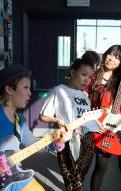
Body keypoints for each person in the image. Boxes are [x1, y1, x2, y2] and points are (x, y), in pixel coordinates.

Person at [0, 63, 70, 191]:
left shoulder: (19, 121)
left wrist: (58, 141)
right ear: (9, 89)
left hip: (11, 178)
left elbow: (35, 146)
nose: (30, 93)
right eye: (26, 87)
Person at [85, 44, 121, 191]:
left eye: (117, 58)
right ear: (106, 54)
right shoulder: (93, 76)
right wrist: (92, 122)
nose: (112, 59)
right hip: (102, 126)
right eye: (111, 54)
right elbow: (85, 101)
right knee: (100, 168)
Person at [39, 58, 96, 191]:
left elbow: (88, 118)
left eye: (90, 77)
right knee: (71, 181)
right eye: (83, 74)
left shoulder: (85, 96)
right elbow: (42, 116)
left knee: (79, 178)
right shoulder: (58, 91)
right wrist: (57, 120)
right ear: (72, 72)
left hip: (87, 139)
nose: (87, 80)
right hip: (66, 139)